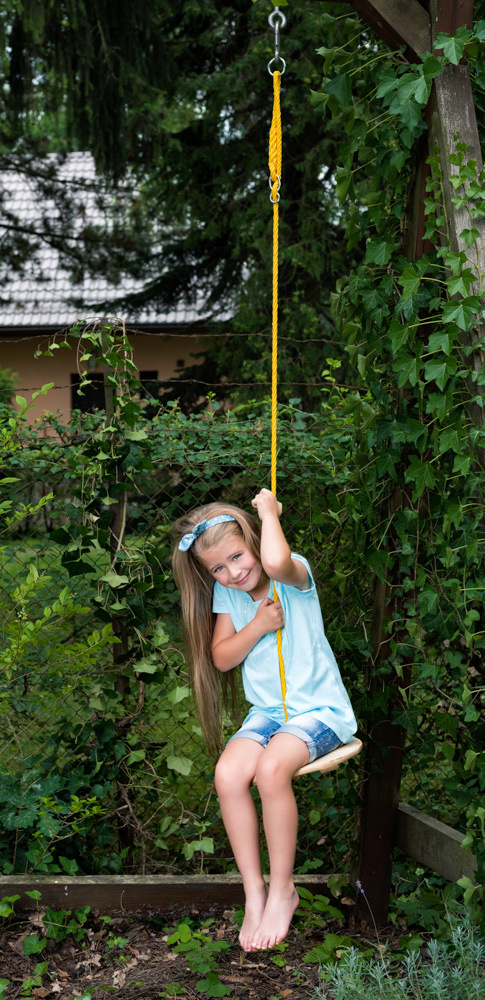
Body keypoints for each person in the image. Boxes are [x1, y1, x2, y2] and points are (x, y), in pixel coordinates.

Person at [172, 488, 357, 952]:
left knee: (271, 770)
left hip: (319, 711)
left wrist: (270, 513)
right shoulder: (228, 595)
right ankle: (254, 890)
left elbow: (275, 561)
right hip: (269, 714)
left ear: (254, 541)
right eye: (218, 568)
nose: (233, 573)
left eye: (237, 557)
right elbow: (221, 657)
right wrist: (257, 625)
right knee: (228, 774)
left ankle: (282, 890)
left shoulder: (292, 574)